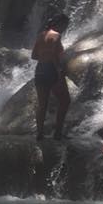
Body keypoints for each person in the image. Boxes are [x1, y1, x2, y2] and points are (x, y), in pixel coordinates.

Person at [31, 13, 70, 141]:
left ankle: (40, 133)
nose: (65, 28)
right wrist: (59, 71)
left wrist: (44, 54)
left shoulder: (40, 35)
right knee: (65, 100)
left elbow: (34, 56)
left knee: (42, 104)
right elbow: (54, 55)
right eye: (65, 25)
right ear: (60, 24)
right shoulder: (57, 36)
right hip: (51, 70)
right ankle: (58, 133)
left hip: (40, 70)